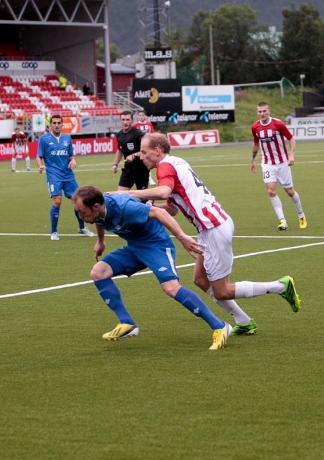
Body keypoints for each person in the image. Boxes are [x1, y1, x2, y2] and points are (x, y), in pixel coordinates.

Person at [123, 133, 302, 335]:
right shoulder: (176, 162)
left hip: (213, 227)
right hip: (211, 226)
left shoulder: (165, 165)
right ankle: (244, 321)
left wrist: (129, 194)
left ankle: (280, 286)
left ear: (157, 150)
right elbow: (172, 208)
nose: (142, 157)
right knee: (200, 279)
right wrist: (148, 210)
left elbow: (163, 191)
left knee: (222, 291)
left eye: (144, 152)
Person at [72, 186, 232, 350]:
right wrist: (100, 241)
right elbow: (100, 220)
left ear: (96, 206)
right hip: (135, 248)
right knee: (99, 272)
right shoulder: (98, 211)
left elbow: (158, 212)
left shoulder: (124, 208)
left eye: (82, 212)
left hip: (157, 246)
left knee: (171, 288)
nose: (81, 217)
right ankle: (127, 324)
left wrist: (182, 237)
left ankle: (220, 326)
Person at [36, 114, 95, 241]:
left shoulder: (67, 138)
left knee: (79, 201)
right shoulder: (44, 139)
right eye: (54, 123)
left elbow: (70, 155)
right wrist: (40, 165)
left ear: (62, 124)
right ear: (50, 125)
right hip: (53, 176)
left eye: (59, 123)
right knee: (57, 201)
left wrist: (73, 160)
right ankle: (54, 232)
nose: (57, 125)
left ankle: (82, 228)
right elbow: (39, 156)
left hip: (68, 175)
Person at [251, 101, 307, 231]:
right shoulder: (255, 127)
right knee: (271, 191)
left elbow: (291, 139)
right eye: (260, 111)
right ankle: (282, 221)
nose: (262, 113)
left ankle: (301, 215)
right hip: (267, 164)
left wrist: (291, 155)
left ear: (269, 111)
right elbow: (256, 144)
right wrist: (252, 160)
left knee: (290, 192)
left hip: (282, 163)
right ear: (257, 112)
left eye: (264, 111)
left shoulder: (278, 124)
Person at [112, 111, 149, 191]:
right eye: (123, 120)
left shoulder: (138, 134)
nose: (125, 122)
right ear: (120, 120)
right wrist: (115, 164)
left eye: (128, 120)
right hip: (128, 169)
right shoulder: (119, 135)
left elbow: (146, 150)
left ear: (132, 120)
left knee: (142, 196)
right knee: (120, 194)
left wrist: (134, 155)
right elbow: (120, 150)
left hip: (141, 169)